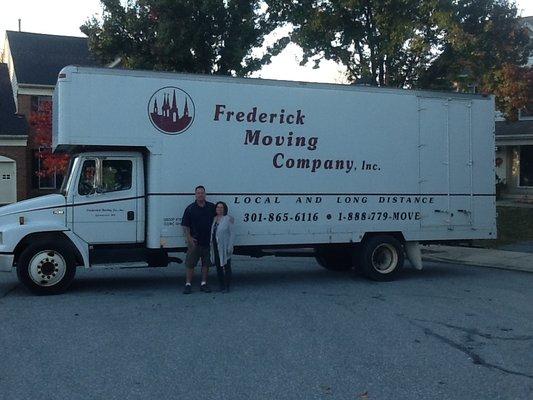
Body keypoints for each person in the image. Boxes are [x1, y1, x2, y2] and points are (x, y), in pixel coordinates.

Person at [181, 186, 216, 294]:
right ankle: (188, 284)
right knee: (190, 264)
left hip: (207, 241)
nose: (200, 195)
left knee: (206, 264)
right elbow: (185, 226)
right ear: (195, 195)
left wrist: (228, 219)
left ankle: (203, 283)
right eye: (198, 193)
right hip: (194, 242)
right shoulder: (190, 208)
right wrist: (189, 239)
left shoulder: (211, 207)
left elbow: (219, 217)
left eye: (202, 193)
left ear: (205, 194)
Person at [210, 201, 235, 292]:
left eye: (221, 207)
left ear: (224, 209)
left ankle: (227, 286)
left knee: (226, 266)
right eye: (217, 207)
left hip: (225, 246)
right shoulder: (214, 219)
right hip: (216, 246)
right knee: (218, 266)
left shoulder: (228, 219)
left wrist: (230, 246)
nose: (219, 209)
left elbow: (232, 234)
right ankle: (221, 285)